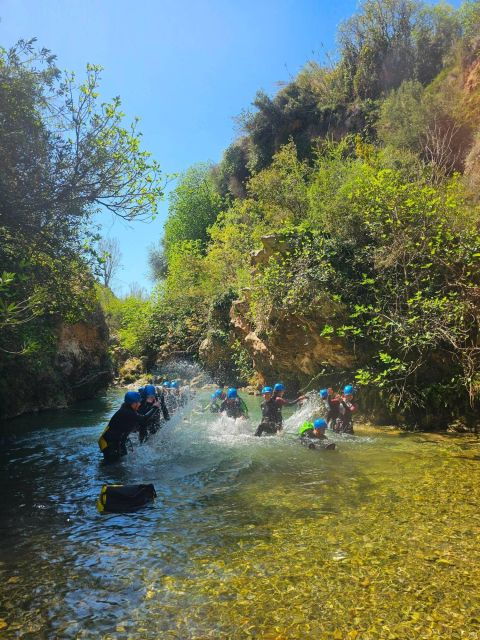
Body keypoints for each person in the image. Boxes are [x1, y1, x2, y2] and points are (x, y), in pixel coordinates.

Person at [98, 391, 160, 463]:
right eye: (138, 402)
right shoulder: (126, 412)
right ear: (133, 403)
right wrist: (155, 407)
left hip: (117, 440)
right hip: (109, 443)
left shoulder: (128, 409)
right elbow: (144, 419)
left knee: (122, 460)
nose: (140, 404)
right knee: (112, 466)